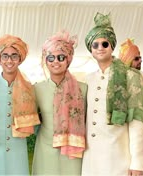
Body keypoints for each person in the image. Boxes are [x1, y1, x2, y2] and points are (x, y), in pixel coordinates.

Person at [82, 12, 143, 176]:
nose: (100, 48)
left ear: (112, 46)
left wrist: (137, 162)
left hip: (118, 158)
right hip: (91, 159)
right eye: (95, 45)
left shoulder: (130, 77)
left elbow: (136, 122)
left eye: (104, 44)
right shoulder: (88, 80)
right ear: (90, 49)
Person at [0, 34, 40, 175]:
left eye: (14, 56)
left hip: (18, 155)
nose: (9, 60)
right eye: (5, 56)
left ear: (20, 59)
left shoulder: (30, 90)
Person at [32, 31, 87, 175]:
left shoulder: (83, 89)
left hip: (72, 154)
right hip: (45, 150)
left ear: (68, 59)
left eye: (61, 57)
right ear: (46, 61)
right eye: (51, 57)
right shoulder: (37, 89)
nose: (55, 61)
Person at [119, 38, 143, 175]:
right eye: (136, 58)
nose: (140, 61)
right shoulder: (127, 76)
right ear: (126, 59)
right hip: (130, 134)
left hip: (142, 130)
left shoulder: (140, 75)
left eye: (140, 58)